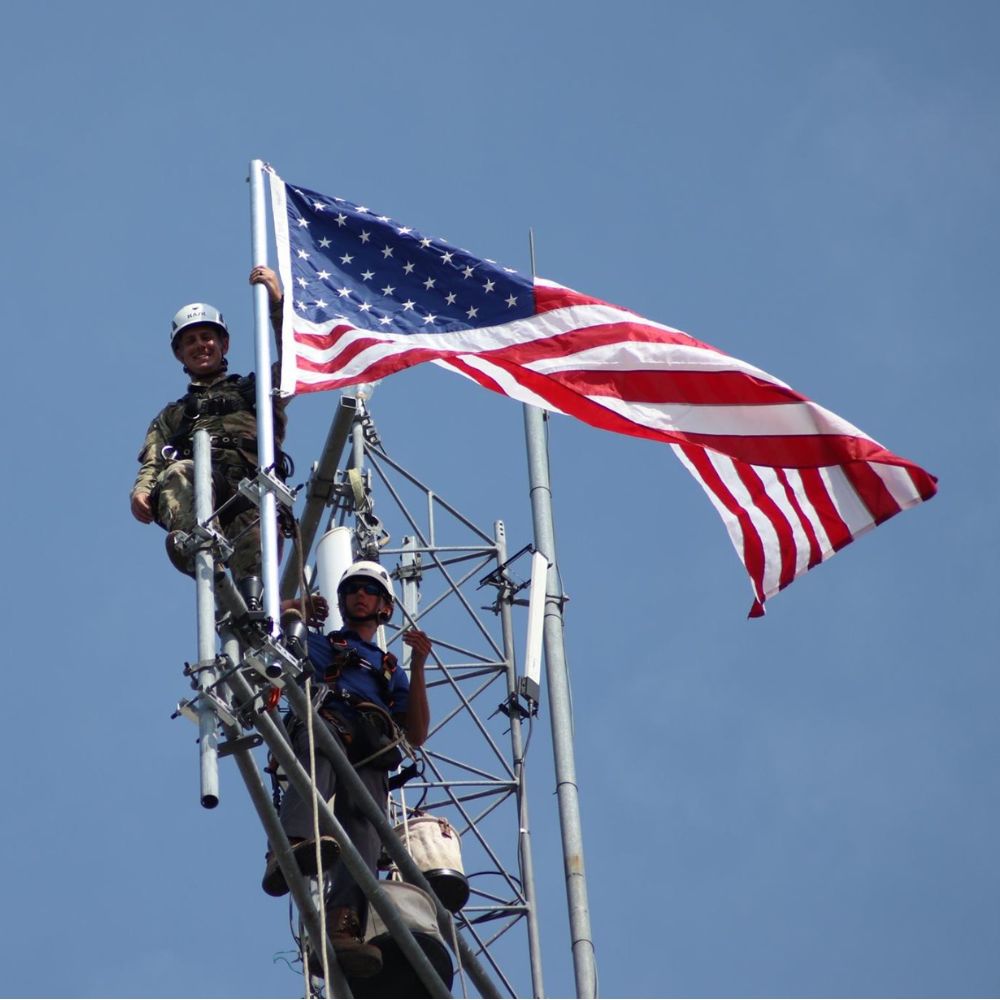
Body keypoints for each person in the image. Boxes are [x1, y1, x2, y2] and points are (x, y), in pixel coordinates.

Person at [262, 560, 431, 979]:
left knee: (367, 826)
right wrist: (295, 605)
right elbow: (256, 627)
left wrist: (421, 664)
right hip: (327, 723)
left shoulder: (390, 668)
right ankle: (290, 847)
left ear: (385, 607)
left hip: (370, 747)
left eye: (369, 590)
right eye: (353, 588)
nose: (360, 594)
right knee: (320, 749)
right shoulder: (319, 644)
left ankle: (343, 926)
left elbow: (417, 733)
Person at [129, 265, 287, 583]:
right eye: (190, 341)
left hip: (252, 491)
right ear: (180, 355)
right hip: (200, 495)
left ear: (223, 345)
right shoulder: (172, 416)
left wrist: (277, 303)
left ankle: (259, 609)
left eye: (207, 337)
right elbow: (154, 462)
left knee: (254, 589)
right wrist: (142, 491)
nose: (200, 345)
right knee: (177, 472)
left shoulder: (253, 391)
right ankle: (203, 550)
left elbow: (295, 360)